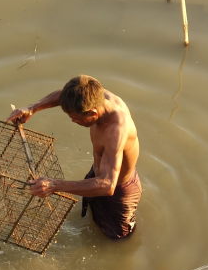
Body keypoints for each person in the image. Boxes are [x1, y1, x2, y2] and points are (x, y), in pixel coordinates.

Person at [8, 75, 141, 240]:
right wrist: (33, 107)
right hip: (98, 175)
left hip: (117, 190)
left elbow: (107, 186)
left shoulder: (116, 130)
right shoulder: (92, 93)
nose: (72, 121)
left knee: (117, 238)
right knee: (93, 217)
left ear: (92, 112)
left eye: (76, 118)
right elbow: (63, 96)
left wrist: (54, 185)